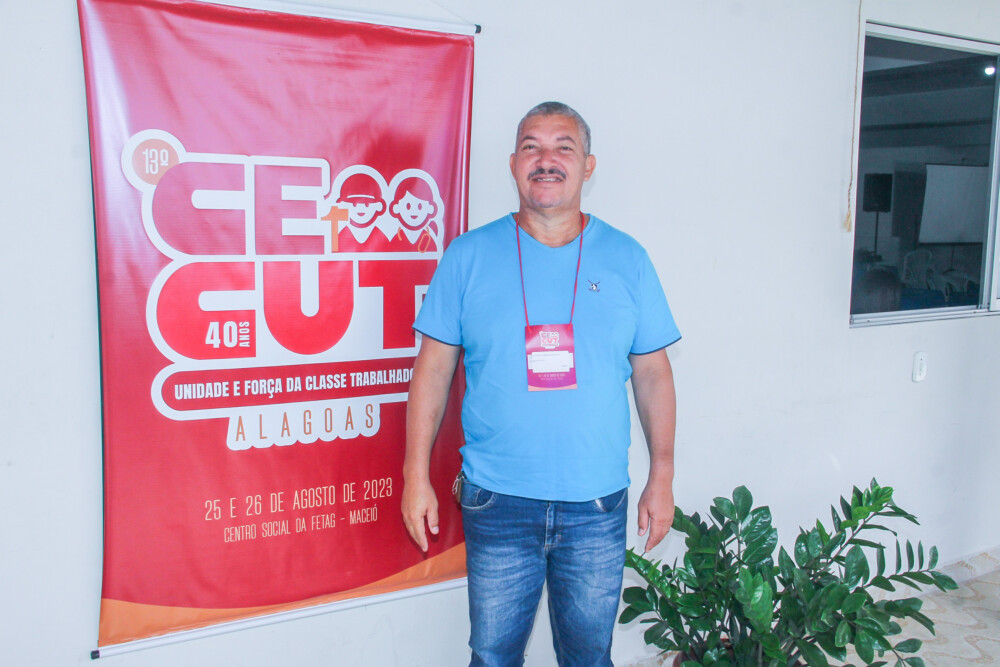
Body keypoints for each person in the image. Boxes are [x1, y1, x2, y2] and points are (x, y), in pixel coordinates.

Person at [401, 101, 680, 667]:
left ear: (588, 165)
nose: (546, 160)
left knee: (589, 657)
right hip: (497, 499)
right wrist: (414, 475)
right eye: (532, 147)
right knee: (493, 656)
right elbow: (432, 370)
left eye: (563, 147)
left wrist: (663, 476)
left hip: (596, 502)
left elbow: (653, 372)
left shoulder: (627, 259)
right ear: (513, 164)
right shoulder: (468, 256)